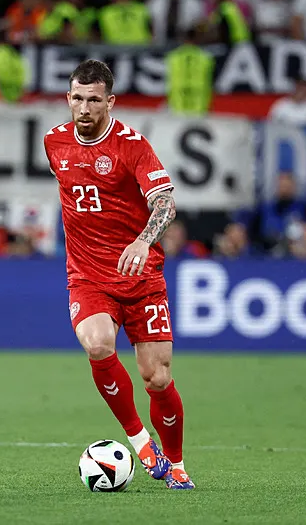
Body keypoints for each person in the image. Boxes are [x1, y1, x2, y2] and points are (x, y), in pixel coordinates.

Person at [43, 59, 194, 490]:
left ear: (110, 101)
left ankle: (177, 464)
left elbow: (165, 202)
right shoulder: (54, 142)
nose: (84, 108)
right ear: (68, 98)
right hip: (88, 277)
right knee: (97, 344)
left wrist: (144, 240)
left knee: (157, 378)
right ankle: (141, 443)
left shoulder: (133, 146)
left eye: (94, 100)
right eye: (77, 98)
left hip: (141, 277)